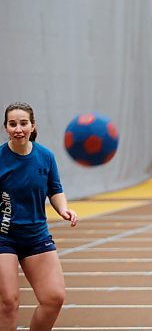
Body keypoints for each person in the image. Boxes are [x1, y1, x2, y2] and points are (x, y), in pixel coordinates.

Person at [0, 102, 78, 330]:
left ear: (32, 126)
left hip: (36, 235)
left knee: (54, 298)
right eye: (12, 124)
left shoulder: (45, 156)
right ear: (5, 128)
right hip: (4, 236)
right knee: (8, 302)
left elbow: (55, 190)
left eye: (23, 123)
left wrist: (63, 209)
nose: (18, 129)